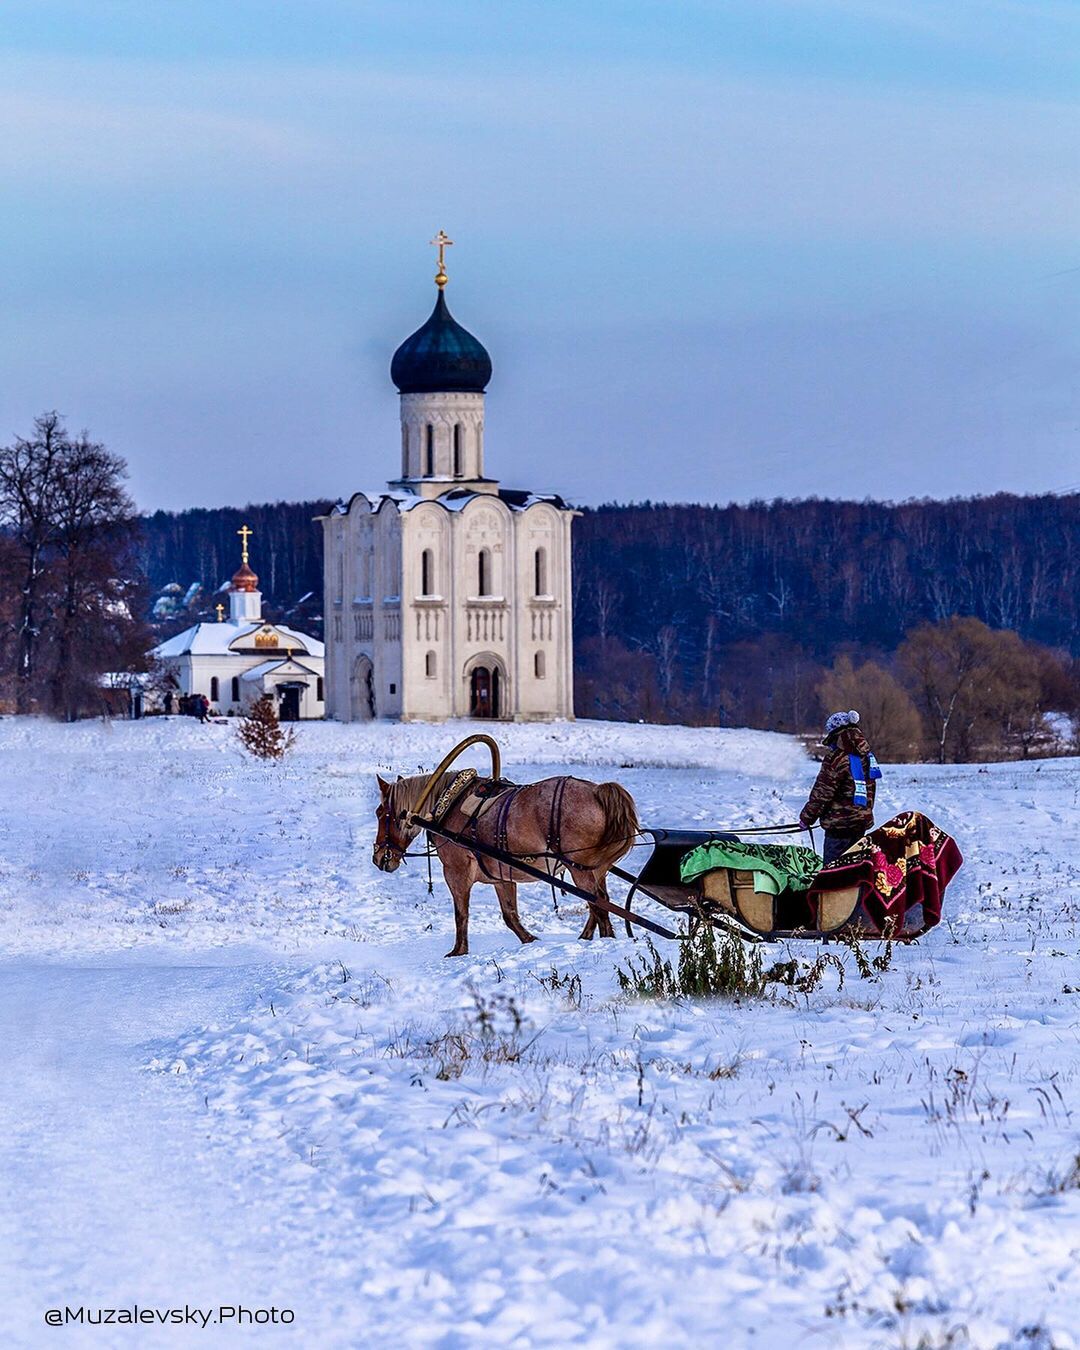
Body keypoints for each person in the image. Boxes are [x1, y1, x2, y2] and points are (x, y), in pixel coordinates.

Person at [799, 709, 882, 866]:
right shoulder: (867, 755)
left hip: (839, 827)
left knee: (833, 875)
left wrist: (806, 818)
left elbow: (822, 793)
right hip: (860, 825)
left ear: (835, 735)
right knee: (855, 872)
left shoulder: (837, 758)